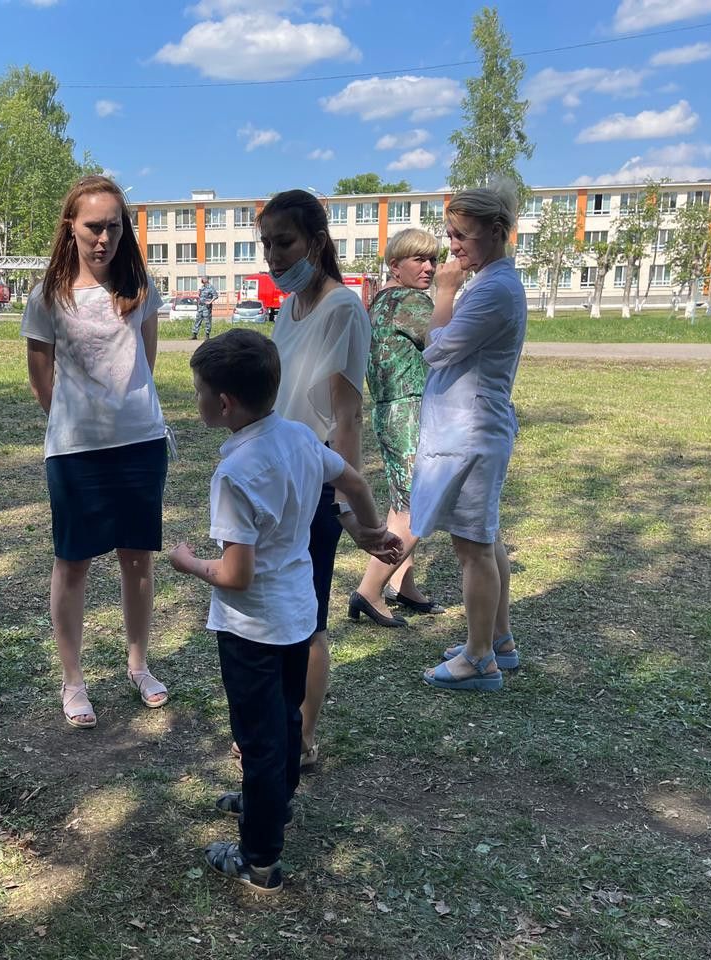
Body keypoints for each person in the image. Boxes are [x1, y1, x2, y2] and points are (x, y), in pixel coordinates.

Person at [169, 329, 399, 894]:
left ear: (223, 404)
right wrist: (369, 530)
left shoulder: (235, 476)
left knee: (259, 737)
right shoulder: (297, 437)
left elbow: (236, 574)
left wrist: (189, 562)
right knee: (287, 721)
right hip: (297, 616)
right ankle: (273, 803)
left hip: (251, 629)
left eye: (199, 391)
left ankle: (259, 857)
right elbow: (354, 478)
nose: (197, 399)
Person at [22, 174, 170, 728]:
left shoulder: (139, 285)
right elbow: (41, 378)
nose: (103, 237)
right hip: (75, 451)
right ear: (71, 227)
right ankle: (74, 681)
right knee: (73, 563)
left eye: (113, 225)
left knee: (137, 560)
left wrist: (123, 411)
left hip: (141, 442)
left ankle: (138, 665)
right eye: (93, 226)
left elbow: (146, 362)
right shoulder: (48, 296)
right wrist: (77, 421)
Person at [250, 189, 372, 771]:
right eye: (267, 243)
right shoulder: (290, 307)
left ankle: (299, 738)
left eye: (285, 242)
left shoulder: (342, 308)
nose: (274, 255)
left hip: (315, 485)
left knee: (308, 618)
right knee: (273, 609)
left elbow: (345, 416)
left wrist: (347, 504)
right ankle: (277, 728)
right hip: (276, 483)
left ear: (317, 242)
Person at [407, 183, 526, 691]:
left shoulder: (491, 289)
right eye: (450, 235)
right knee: (487, 538)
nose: (452, 248)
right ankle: (498, 640)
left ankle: (479, 660)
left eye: (462, 236)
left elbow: (436, 349)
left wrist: (445, 293)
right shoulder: (492, 282)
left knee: (472, 547)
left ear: (496, 233)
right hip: (473, 429)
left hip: (472, 433)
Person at [348, 228, 446, 626]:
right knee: (419, 503)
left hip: (390, 411)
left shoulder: (381, 302)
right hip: (409, 410)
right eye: (418, 260)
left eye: (433, 260)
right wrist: (450, 296)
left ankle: (401, 584)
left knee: (401, 502)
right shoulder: (410, 301)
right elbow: (448, 341)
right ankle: (369, 591)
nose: (429, 268)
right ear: (395, 266)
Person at [192, 275, 218, 340]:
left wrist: (210, 302)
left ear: (206, 279)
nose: (202, 280)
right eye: (202, 279)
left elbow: (216, 296)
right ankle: (194, 335)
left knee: (207, 321)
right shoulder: (202, 287)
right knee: (197, 320)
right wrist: (199, 294)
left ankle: (207, 335)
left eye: (203, 279)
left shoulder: (210, 287)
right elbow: (200, 296)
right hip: (201, 306)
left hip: (206, 307)